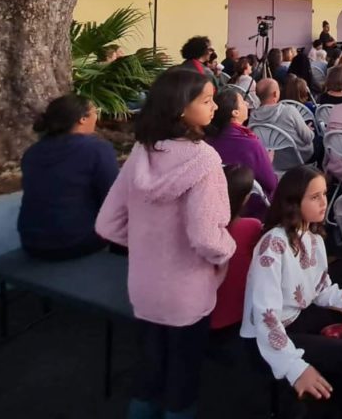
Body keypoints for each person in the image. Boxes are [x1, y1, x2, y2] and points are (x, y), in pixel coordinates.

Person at [96, 68, 236, 419]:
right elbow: (206, 236)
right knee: (182, 381)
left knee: (149, 373)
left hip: (143, 288)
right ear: (180, 108)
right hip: (188, 292)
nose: (215, 107)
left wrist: (147, 244)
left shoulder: (141, 154)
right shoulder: (205, 161)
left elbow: (107, 223)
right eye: (206, 101)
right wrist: (227, 250)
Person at [241, 166, 342, 418]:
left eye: (325, 194)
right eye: (315, 197)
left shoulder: (312, 238)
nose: (324, 202)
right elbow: (266, 317)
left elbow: (321, 290)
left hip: (295, 318)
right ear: (294, 202)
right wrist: (295, 368)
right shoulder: (273, 244)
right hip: (268, 334)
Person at [18, 95, 118, 260]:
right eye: (95, 112)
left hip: (31, 242)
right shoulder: (97, 149)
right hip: (75, 242)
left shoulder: (32, 152)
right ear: (82, 119)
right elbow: (112, 199)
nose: (97, 118)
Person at [205, 86, 277, 218]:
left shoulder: (207, 140)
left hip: (215, 201)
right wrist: (267, 161)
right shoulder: (250, 144)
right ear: (235, 113)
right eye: (243, 102)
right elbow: (271, 184)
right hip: (248, 208)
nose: (247, 104)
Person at [210, 167, 264, 331]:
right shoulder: (252, 227)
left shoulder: (200, 228)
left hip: (201, 312)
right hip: (238, 313)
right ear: (246, 198)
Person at [248, 78, 316, 163]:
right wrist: (307, 129)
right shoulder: (289, 111)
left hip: (268, 159)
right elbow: (308, 138)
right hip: (296, 159)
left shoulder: (253, 117)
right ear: (275, 94)